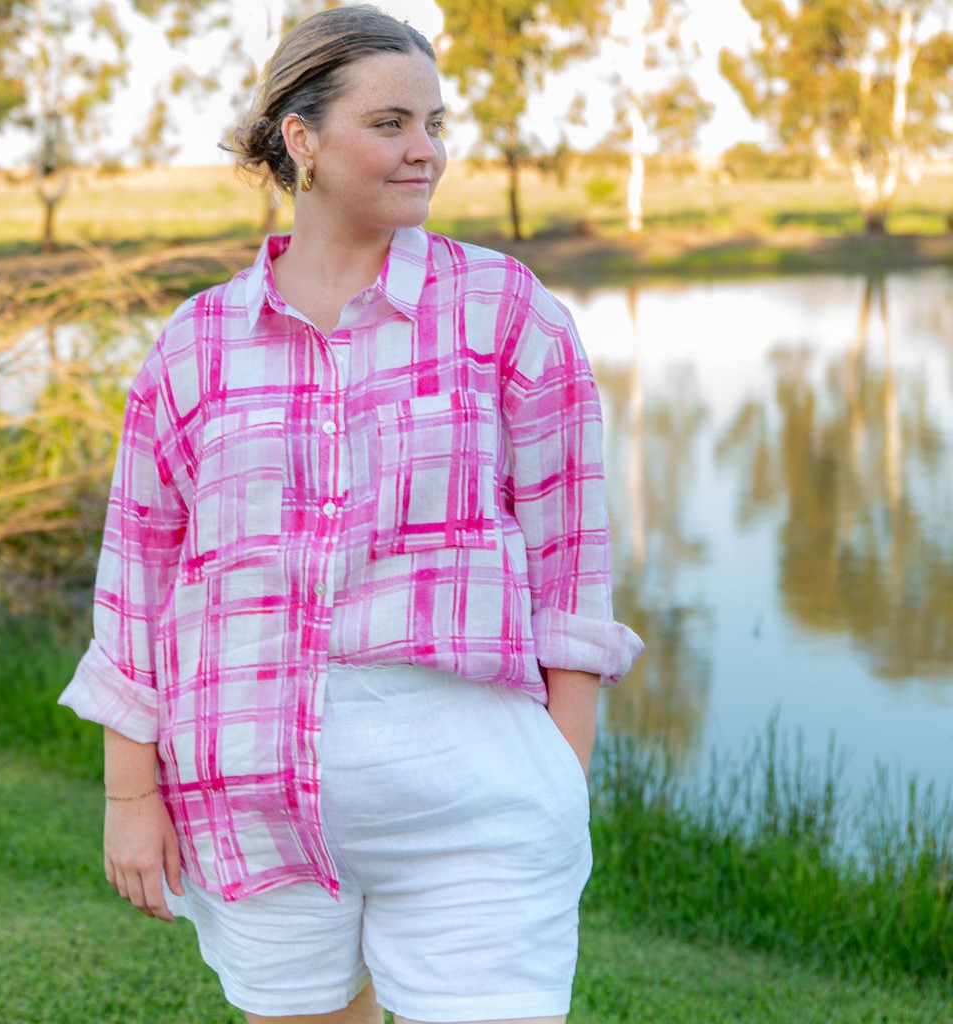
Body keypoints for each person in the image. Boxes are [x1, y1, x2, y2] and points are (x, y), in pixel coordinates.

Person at [59, 6, 643, 1023]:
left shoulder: (507, 313)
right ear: (302, 140)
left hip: (478, 804)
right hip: (248, 796)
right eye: (391, 123)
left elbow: (568, 570)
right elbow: (138, 585)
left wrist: (562, 775)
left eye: (435, 122)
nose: (427, 150)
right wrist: (129, 794)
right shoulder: (194, 348)